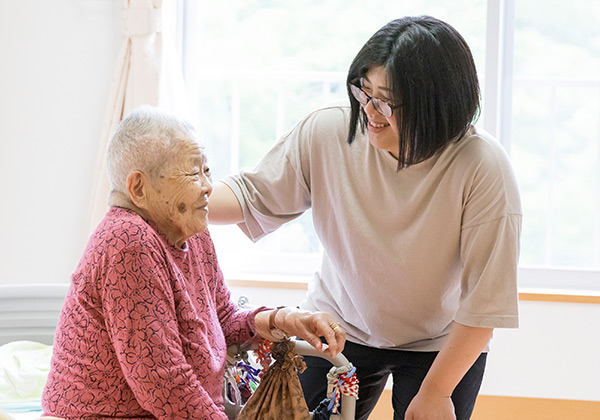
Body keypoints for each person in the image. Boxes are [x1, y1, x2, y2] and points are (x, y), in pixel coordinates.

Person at [208, 15, 522, 420]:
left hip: (439, 342)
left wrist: (437, 392)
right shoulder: (330, 132)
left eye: (386, 101)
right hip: (339, 325)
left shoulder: (482, 167)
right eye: (364, 92)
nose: (370, 111)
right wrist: (181, 197)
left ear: (436, 106)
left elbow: (486, 303)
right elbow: (251, 194)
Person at [41, 105, 346, 420]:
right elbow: (163, 382)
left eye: (207, 170)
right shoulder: (127, 241)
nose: (207, 186)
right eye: (192, 172)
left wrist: (284, 320)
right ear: (138, 188)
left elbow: (224, 319)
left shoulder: (191, 232)